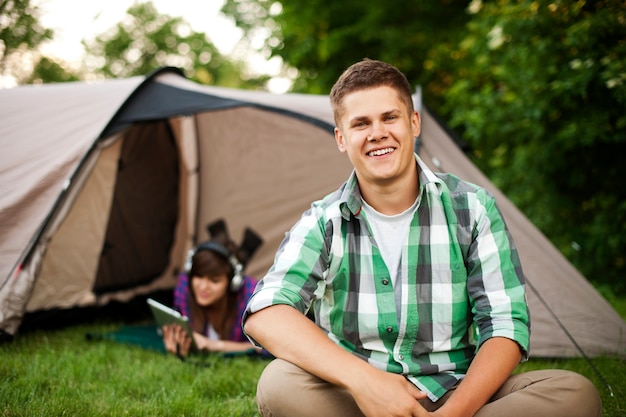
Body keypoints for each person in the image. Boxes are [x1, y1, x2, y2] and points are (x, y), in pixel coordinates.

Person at [242, 59, 602, 417]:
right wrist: (364, 381)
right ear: (341, 138)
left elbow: (505, 325)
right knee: (278, 383)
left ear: (414, 123)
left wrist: (454, 413)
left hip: (454, 390)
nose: (377, 133)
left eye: (389, 117)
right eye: (361, 124)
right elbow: (266, 311)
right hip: (354, 397)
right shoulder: (324, 220)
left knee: (574, 393)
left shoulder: (472, 208)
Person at [162, 218, 263, 358]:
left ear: (233, 282)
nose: (203, 287)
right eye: (198, 277)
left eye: (214, 281)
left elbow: (267, 348)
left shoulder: (252, 297)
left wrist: (214, 345)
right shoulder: (184, 286)